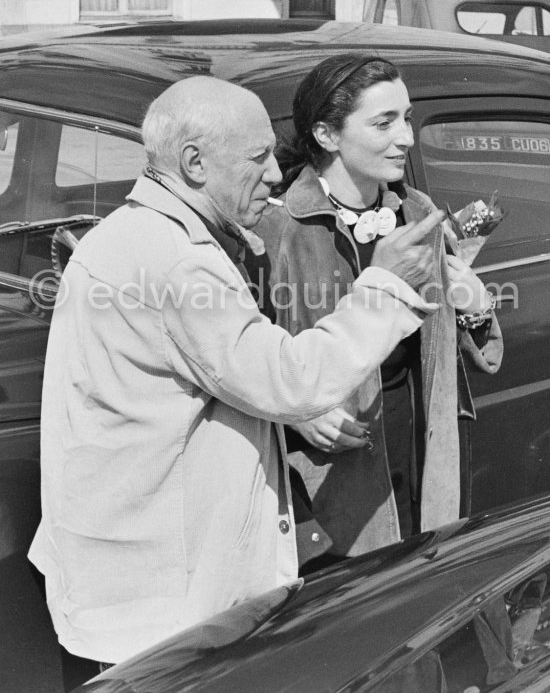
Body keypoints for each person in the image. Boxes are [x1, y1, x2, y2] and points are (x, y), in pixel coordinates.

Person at [28, 75, 444, 686]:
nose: (277, 174)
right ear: (194, 163)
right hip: (159, 608)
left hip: (137, 584)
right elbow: (289, 380)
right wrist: (384, 286)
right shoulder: (176, 260)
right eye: (257, 159)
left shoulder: (138, 234)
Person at [258, 54, 503, 567]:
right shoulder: (279, 230)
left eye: (407, 117)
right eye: (384, 122)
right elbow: (238, 360)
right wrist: (294, 413)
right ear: (327, 135)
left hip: (418, 440)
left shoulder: (417, 214)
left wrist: (477, 306)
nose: (407, 138)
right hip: (334, 470)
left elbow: (447, 340)